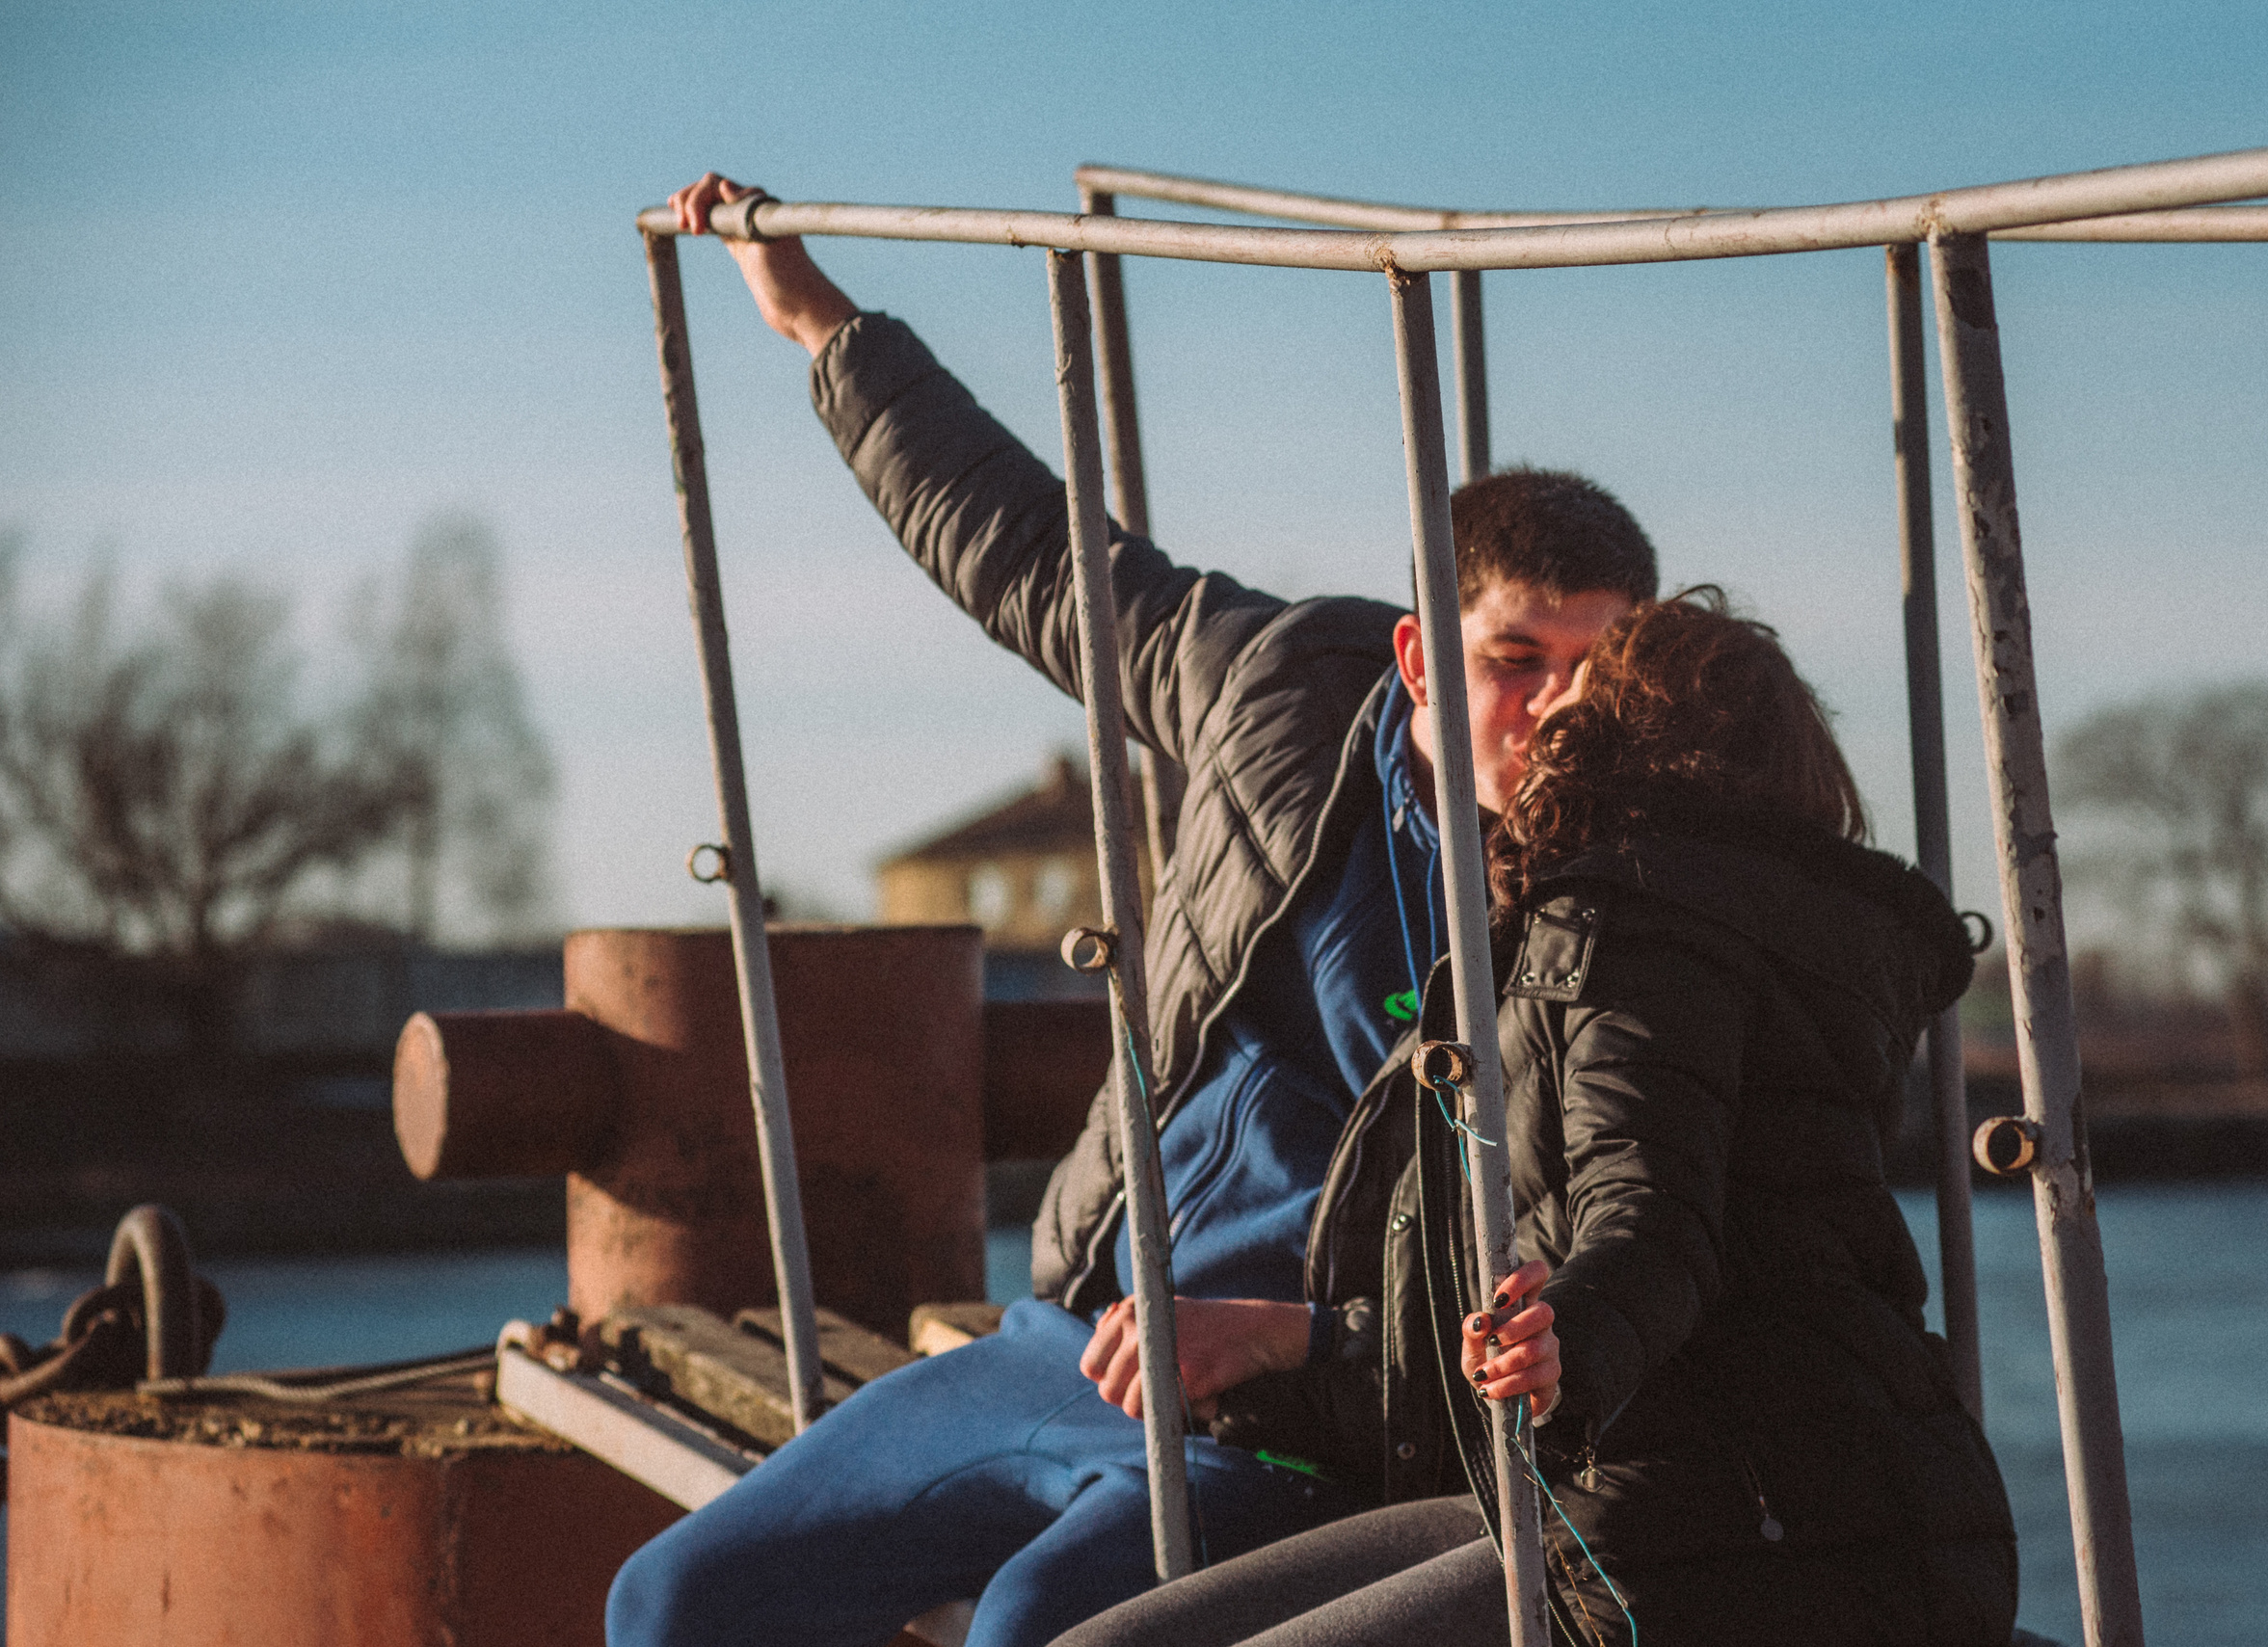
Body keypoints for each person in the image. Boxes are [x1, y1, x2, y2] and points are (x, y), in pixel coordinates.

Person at [605, 173, 1658, 1647]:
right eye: (1515, 658)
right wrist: (821, 325)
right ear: (1420, 654)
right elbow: (1032, 550)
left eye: (1596, 673)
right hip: (1075, 1334)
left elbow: (1594, 1259)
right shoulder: (1277, 694)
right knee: (674, 1598)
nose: (1553, 708)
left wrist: (1296, 1342)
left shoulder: (1627, 901)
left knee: (1035, 1623)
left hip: (1307, 1410)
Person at [1053, 591, 2019, 1647]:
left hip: (1704, 1528)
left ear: (1612, 738)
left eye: (1579, 693)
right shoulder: (1807, 950)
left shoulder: (1630, 922)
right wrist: (1285, 1362)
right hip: (1857, 1505)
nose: (1544, 710)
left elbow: (1651, 1220)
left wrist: (1569, 1346)